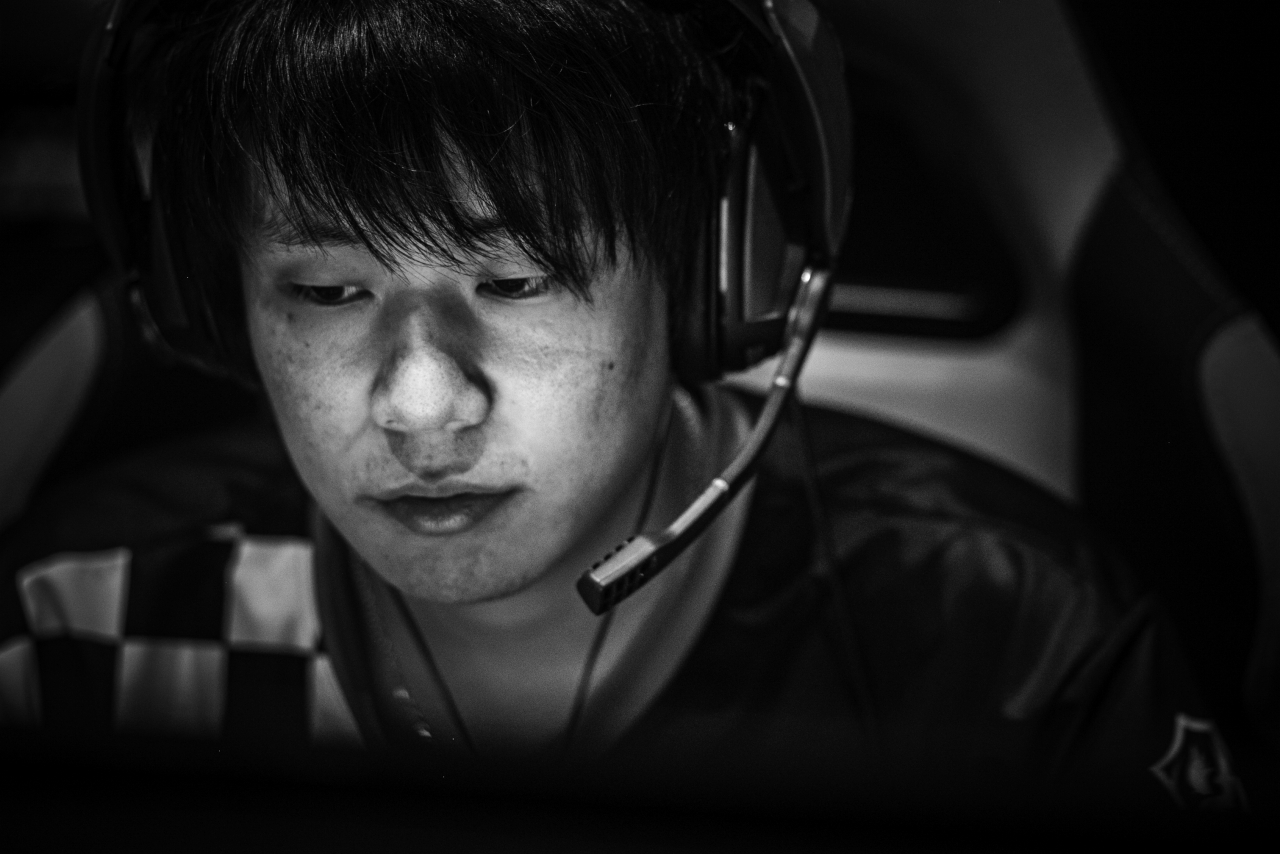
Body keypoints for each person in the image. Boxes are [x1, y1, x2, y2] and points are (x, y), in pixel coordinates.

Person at [0, 0, 1244, 813]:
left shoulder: (1011, 642)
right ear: (214, 301)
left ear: (710, 276)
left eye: (516, 280)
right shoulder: (65, 626)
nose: (422, 406)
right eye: (326, 291)